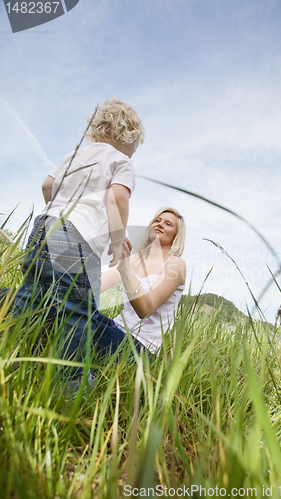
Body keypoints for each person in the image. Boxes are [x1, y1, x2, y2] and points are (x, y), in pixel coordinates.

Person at [14, 98, 145, 381]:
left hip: (43, 228)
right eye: (135, 149)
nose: (133, 155)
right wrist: (116, 239)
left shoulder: (74, 157)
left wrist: (59, 209)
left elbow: (47, 186)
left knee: (30, 298)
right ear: (129, 138)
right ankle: (70, 381)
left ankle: (11, 353)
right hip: (77, 239)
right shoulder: (120, 161)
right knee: (77, 311)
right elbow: (116, 197)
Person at [93, 207, 186, 358]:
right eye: (157, 220)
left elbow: (145, 309)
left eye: (168, 224)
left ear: (176, 236)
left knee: (80, 321)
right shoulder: (135, 258)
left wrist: (125, 269)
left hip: (139, 347)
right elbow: (96, 286)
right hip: (116, 328)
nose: (160, 224)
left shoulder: (176, 264)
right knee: (76, 310)